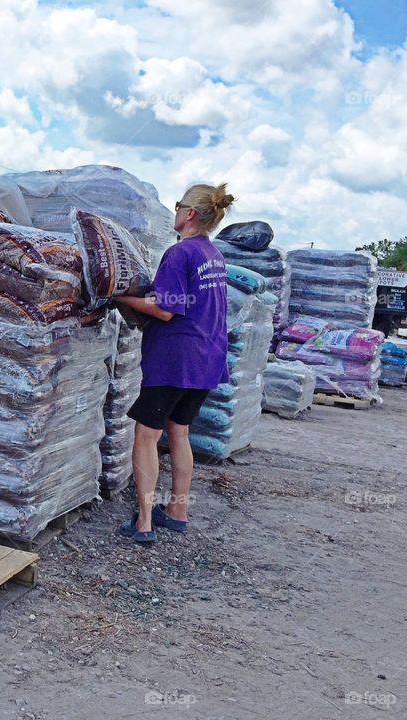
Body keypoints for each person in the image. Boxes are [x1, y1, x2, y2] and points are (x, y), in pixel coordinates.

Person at [114, 183, 234, 543]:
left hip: (175, 358)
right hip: (208, 357)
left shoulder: (179, 253)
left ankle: (144, 522)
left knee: (147, 436)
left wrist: (121, 297)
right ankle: (177, 511)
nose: (176, 212)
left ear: (190, 214)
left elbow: (165, 310)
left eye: (179, 206)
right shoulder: (214, 255)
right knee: (179, 433)